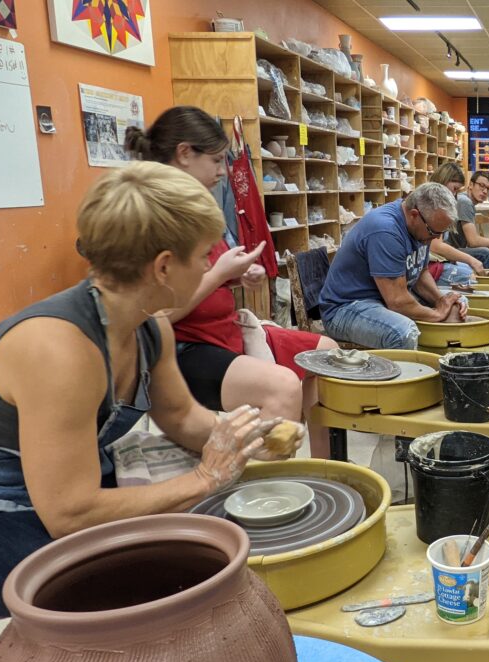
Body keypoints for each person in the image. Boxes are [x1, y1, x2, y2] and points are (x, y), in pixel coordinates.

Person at [0, 163, 299, 615]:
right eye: (203, 257)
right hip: (10, 511)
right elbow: (68, 513)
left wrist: (249, 439)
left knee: (207, 546)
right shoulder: (58, 351)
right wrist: (203, 478)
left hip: (77, 483)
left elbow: (181, 417)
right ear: (163, 266)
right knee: (158, 599)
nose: (210, 268)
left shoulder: (148, 325)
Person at [125, 107, 336, 458]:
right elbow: (154, 316)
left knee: (326, 354)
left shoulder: (195, 207)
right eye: (218, 161)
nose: (224, 172)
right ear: (184, 154)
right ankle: (268, 497)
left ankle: (324, 467)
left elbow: (203, 277)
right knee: (281, 387)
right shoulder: (154, 214)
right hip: (180, 348)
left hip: (222, 332)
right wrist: (220, 275)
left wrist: (236, 276)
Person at [320, 182, 466, 349]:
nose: (435, 238)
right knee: (403, 333)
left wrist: (442, 300)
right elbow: (397, 302)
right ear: (414, 214)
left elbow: (420, 274)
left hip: (383, 300)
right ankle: (415, 372)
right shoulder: (386, 230)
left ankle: (439, 367)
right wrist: (436, 313)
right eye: (433, 232)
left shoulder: (422, 226)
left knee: (458, 306)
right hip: (347, 308)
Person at [427, 163, 489, 272]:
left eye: (488, 189)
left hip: (436, 258)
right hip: (433, 260)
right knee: (478, 262)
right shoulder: (435, 204)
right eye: (454, 188)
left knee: (469, 269)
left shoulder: (442, 202)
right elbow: (436, 246)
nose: (485, 191)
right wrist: (470, 260)